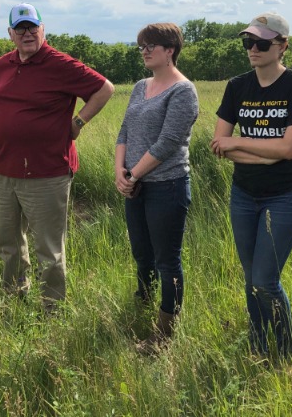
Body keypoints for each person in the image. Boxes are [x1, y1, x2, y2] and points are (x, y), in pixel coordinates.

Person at [0, 3, 114, 311]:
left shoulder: (60, 64)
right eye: (21, 29)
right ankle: (14, 298)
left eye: (33, 27)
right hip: (4, 167)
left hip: (47, 170)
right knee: (8, 243)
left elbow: (104, 89)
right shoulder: (3, 64)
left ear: (43, 29)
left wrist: (78, 122)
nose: (27, 34)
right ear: (10, 34)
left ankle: (51, 308)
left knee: (49, 248)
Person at [211, 13, 292, 363]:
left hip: (286, 196)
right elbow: (218, 145)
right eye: (248, 42)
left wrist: (241, 144)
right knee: (250, 278)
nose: (253, 49)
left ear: (283, 46)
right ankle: (258, 347)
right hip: (243, 195)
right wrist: (265, 154)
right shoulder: (237, 86)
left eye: (262, 43)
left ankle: (286, 356)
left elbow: (288, 150)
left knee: (266, 280)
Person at [115, 23, 199, 353]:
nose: (146, 51)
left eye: (153, 45)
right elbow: (124, 131)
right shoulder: (140, 86)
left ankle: (165, 332)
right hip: (135, 186)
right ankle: (143, 308)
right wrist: (120, 173)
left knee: (167, 260)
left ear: (171, 50)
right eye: (142, 46)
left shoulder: (183, 91)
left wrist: (133, 174)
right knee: (142, 256)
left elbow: (168, 142)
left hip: (167, 187)